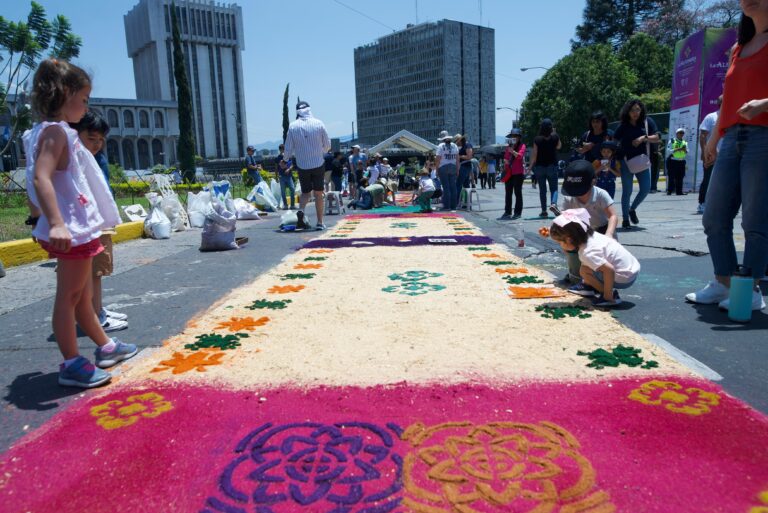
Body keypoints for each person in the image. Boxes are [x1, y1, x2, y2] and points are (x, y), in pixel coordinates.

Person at [24, 59, 138, 388]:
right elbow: (41, 177)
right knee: (70, 297)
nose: (87, 106)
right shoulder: (56, 131)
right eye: (84, 99)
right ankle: (71, 362)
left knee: (82, 296)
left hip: (79, 226)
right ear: (64, 94)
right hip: (70, 229)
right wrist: (56, 223)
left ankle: (106, 346)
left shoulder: (56, 131)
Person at [686, 2, 768, 312]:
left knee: (755, 221)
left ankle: (753, 288)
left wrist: (764, 103)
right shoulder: (739, 47)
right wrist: (716, 136)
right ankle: (723, 283)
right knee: (714, 216)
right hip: (731, 137)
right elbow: (730, 99)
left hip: (764, 137)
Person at [70, 110, 128, 333]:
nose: (97, 144)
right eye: (91, 139)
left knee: (100, 269)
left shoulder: (96, 158)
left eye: (101, 139)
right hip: (89, 222)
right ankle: (94, 315)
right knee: (93, 270)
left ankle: (98, 309)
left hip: (100, 220)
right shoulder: (76, 158)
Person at [550, 208, 640, 307]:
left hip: (625, 277)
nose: (560, 245)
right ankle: (590, 287)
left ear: (569, 240)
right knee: (585, 267)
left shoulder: (587, 252)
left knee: (584, 272)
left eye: (559, 243)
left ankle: (610, 297)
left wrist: (608, 295)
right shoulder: (592, 236)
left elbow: (609, 270)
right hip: (631, 268)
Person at [559, 160, 619, 291]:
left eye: (581, 190)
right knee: (567, 242)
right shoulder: (569, 197)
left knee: (598, 259)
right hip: (583, 231)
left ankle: (599, 280)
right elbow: (564, 219)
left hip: (602, 230)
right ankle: (577, 277)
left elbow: (613, 216)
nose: (577, 194)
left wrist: (609, 235)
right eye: (573, 190)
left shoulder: (600, 194)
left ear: (593, 182)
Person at [283, 100, 331, 230]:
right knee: (319, 193)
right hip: (318, 163)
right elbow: (327, 146)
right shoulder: (319, 123)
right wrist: (321, 151)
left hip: (302, 165)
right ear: (310, 109)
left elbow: (288, 147)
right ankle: (320, 222)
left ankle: (302, 211)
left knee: (305, 193)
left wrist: (285, 159)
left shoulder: (293, 126)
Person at [614, 99, 662, 229]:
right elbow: (614, 140)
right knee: (627, 191)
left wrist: (644, 138)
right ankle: (625, 219)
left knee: (646, 188)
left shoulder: (647, 122)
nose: (635, 113)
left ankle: (632, 209)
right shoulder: (623, 126)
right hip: (626, 162)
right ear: (627, 111)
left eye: (638, 110)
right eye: (632, 110)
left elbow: (658, 137)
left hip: (642, 161)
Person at [529, 119, 562, 218]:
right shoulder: (555, 137)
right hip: (552, 166)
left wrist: (530, 166)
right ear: (551, 128)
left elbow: (534, 154)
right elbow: (559, 146)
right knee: (554, 188)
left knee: (542, 190)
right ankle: (553, 204)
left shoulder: (537, 139)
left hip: (539, 167)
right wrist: (555, 134)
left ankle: (543, 211)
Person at [697, 96, 722, 214]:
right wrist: (704, 151)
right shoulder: (711, 117)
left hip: (727, 155)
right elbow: (702, 136)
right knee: (707, 179)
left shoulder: (732, 117)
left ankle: (723, 204)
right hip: (711, 155)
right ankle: (702, 203)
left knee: (726, 181)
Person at [498, 128, 526, 220]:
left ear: (519, 137)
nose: (514, 138)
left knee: (518, 193)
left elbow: (520, 156)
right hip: (509, 172)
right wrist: (506, 160)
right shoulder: (508, 147)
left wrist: (512, 151)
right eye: (512, 136)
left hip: (518, 173)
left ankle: (517, 212)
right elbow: (505, 157)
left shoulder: (522, 145)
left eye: (515, 136)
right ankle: (507, 211)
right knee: (508, 193)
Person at [435, 130, 459, 210]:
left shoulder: (441, 146)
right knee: (453, 187)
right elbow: (457, 159)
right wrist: (457, 169)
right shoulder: (454, 146)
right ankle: (454, 206)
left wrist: (437, 170)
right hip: (453, 167)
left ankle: (447, 206)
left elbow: (438, 159)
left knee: (446, 187)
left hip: (443, 167)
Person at [666, 128, 689, 196]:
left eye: (682, 133)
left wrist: (684, 150)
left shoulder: (684, 142)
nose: (681, 134)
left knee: (680, 177)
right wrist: (677, 149)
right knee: (671, 176)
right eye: (680, 133)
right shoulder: (672, 141)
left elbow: (687, 151)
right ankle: (669, 191)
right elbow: (668, 150)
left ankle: (679, 191)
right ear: (676, 134)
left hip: (681, 161)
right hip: (672, 161)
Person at [455, 134, 474, 209]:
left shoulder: (467, 145)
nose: (457, 143)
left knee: (458, 185)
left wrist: (459, 156)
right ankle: (467, 203)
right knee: (466, 185)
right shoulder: (464, 146)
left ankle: (456, 203)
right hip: (465, 167)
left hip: (464, 167)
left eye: (457, 141)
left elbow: (469, 156)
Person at [276, 143, 296, 210]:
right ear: (280, 150)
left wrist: (289, 169)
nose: (283, 151)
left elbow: (292, 165)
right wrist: (276, 177)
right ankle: (285, 205)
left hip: (289, 175)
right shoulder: (278, 158)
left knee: (292, 189)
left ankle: (292, 205)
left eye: (284, 149)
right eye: (282, 150)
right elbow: (276, 167)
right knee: (283, 191)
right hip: (282, 176)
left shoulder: (288, 156)